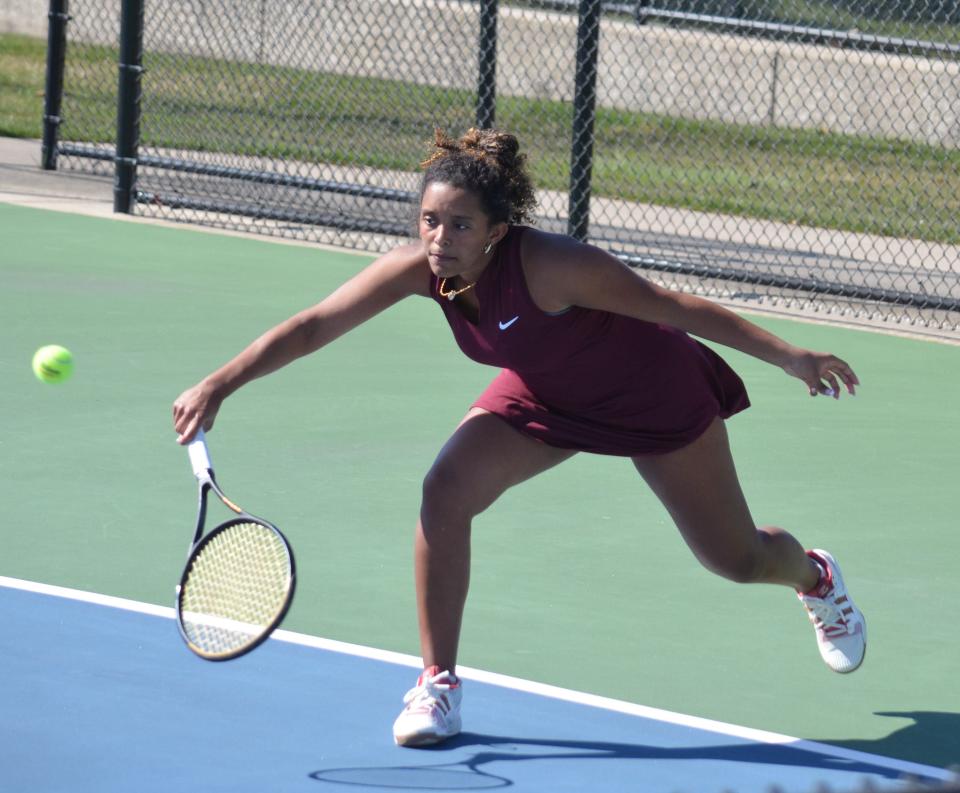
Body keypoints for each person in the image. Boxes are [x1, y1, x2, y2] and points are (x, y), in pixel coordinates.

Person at [172, 128, 866, 748]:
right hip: (547, 394)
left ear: (498, 231)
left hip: (652, 398)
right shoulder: (423, 271)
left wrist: (789, 356)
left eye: (460, 225)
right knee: (445, 490)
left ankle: (816, 576)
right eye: (429, 220)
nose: (440, 238)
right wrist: (221, 383)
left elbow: (674, 307)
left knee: (736, 559)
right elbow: (313, 325)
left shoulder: (555, 266)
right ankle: (437, 682)